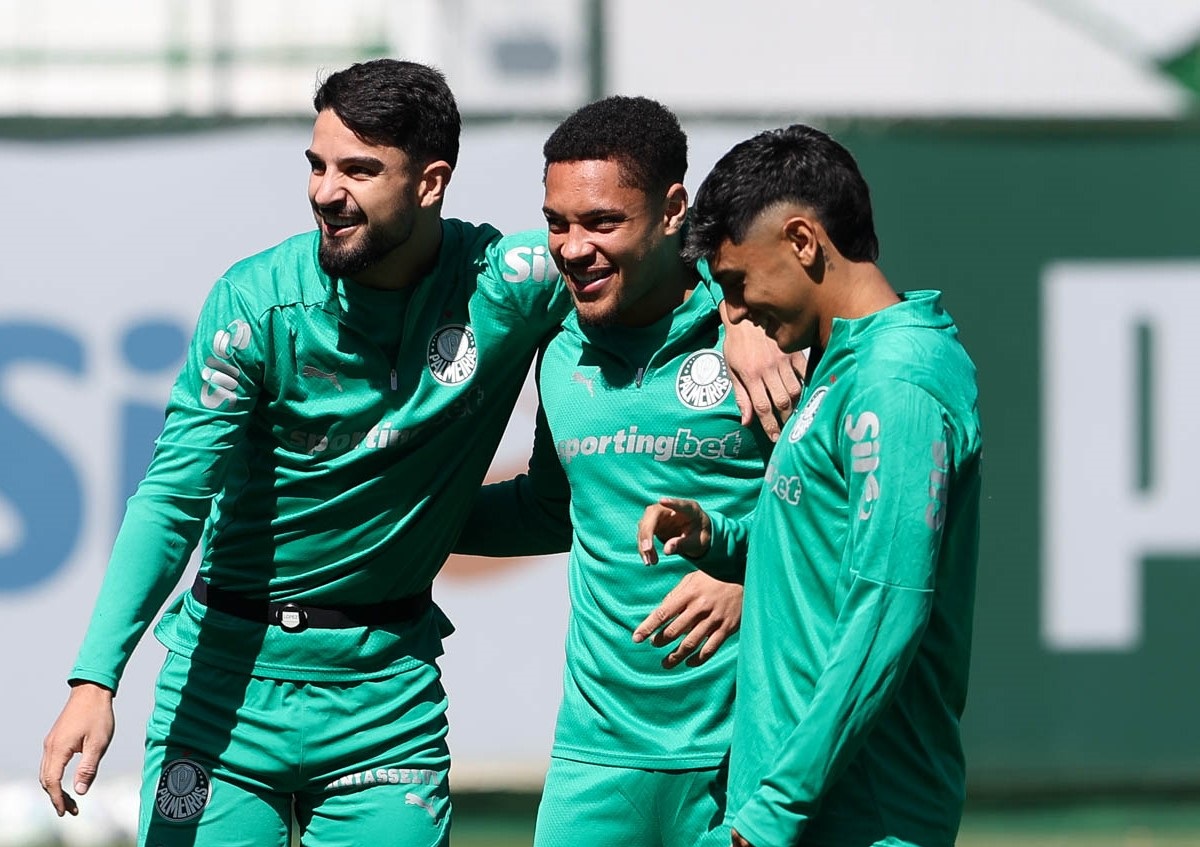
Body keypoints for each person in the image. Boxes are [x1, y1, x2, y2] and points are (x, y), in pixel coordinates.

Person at [37, 61, 801, 846]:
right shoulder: (254, 306)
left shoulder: (509, 283)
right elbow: (171, 499)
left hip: (384, 706)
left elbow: (648, 258)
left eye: (359, 170)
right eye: (317, 165)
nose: (326, 191)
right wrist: (95, 677)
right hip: (222, 693)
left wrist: (739, 313)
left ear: (431, 183)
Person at [638, 124, 983, 847]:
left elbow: (888, 606)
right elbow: (827, 548)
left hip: (857, 815)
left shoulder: (897, 381)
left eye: (737, 283)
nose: (732, 312)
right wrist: (718, 538)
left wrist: (775, 810)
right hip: (795, 812)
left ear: (802, 241)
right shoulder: (842, 363)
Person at [455, 96, 775, 847]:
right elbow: (548, 510)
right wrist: (394, 513)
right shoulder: (560, 348)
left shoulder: (764, 333)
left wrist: (753, 578)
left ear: (673, 212)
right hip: (595, 755)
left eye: (602, 222)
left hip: (748, 751)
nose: (572, 248)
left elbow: (841, 511)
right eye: (557, 222)